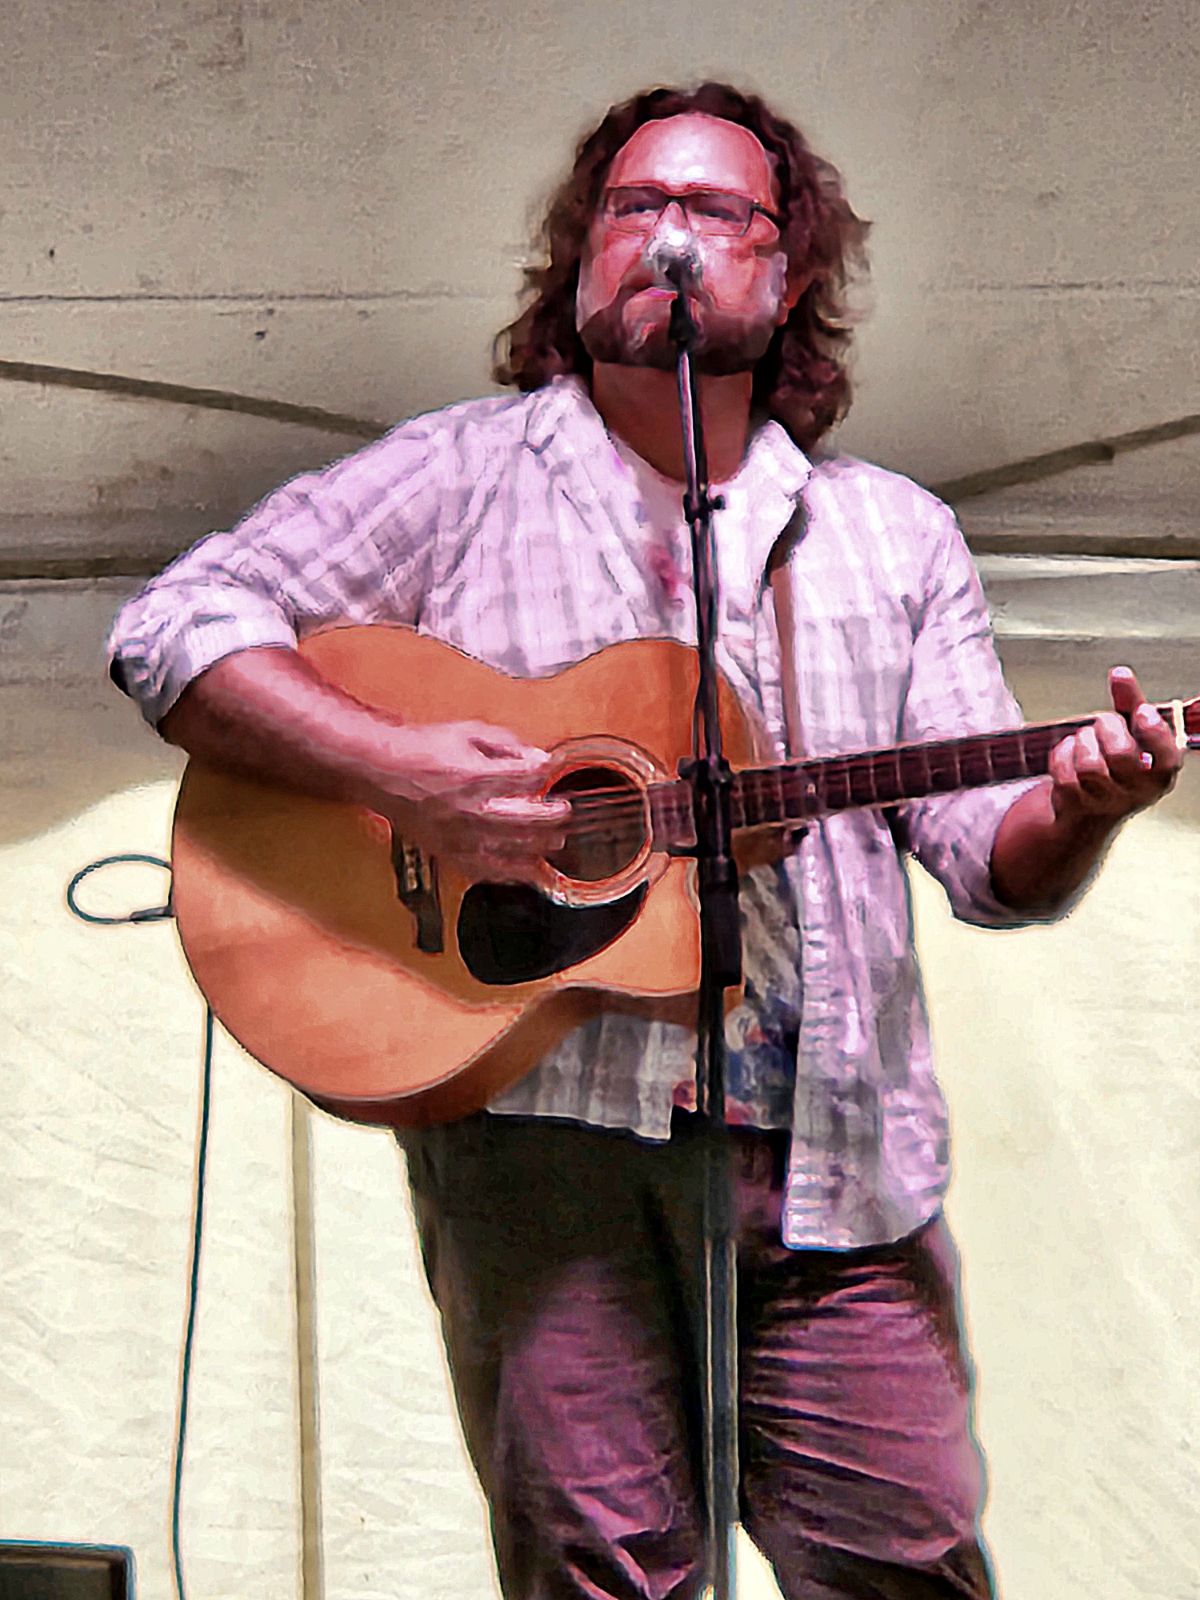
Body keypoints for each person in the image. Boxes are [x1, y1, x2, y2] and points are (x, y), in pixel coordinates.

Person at [106, 81, 1181, 1600]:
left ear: (786, 277)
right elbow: (172, 627)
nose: (669, 236)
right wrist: (402, 773)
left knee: (909, 1564)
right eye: (635, 206)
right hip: (547, 1161)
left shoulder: (890, 532)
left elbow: (984, 857)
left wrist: (1076, 809)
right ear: (583, 254)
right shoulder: (459, 476)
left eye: (716, 212)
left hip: (838, 1161)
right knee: (599, 1576)